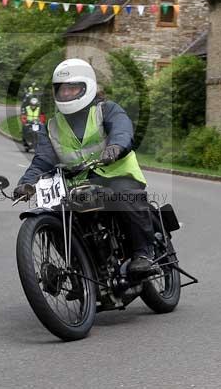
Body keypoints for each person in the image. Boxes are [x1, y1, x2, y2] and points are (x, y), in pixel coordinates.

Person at [14, 59, 155, 276]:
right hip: (78, 184)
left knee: (123, 195)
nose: (67, 94)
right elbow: (42, 161)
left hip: (116, 174)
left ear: (87, 87)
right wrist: (27, 183)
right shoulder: (51, 126)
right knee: (56, 214)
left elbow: (122, 130)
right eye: (62, 89)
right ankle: (82, 270)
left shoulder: (106, 110)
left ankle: (143, 253)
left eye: (73, 88)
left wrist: (115, 147)